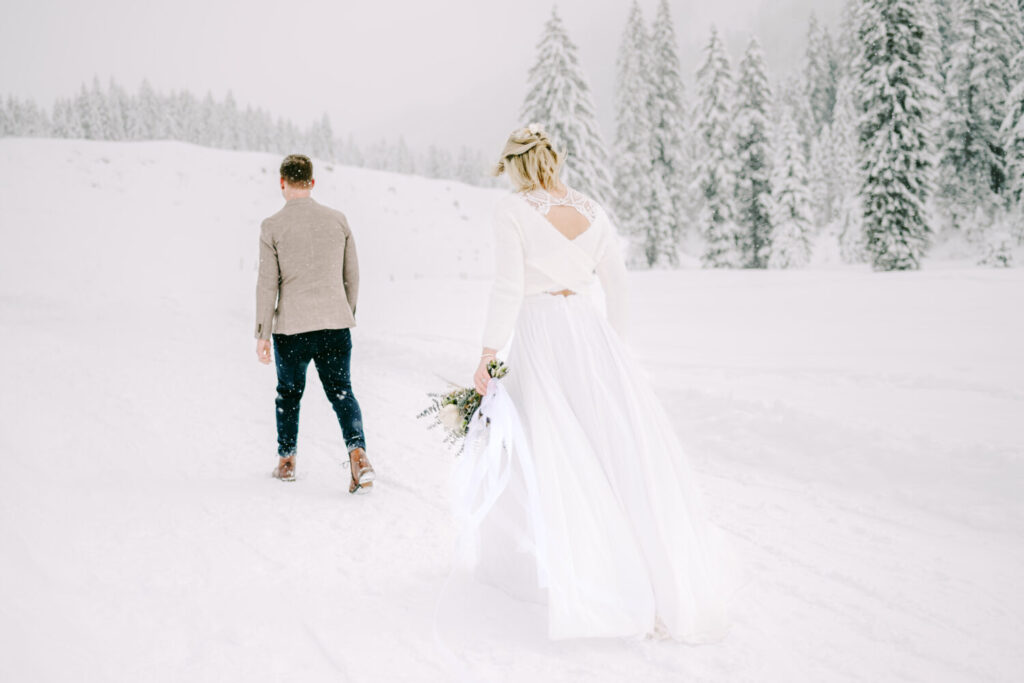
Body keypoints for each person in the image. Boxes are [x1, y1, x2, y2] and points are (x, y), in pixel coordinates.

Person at [468, 125, 745, 641]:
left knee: (549, 450)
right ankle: (654, 579)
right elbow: (618, 284)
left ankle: (580, 575)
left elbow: (508, 286)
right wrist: (614, 346)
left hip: (542, 334)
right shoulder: (593, 209)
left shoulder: (511, 210)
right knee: (615, 450)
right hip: (591, 334)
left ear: (516, 165)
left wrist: (488, 352)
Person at [255, 154, 375, 494]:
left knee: (289, 394)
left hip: (292, 330)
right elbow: (352, 274)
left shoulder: (272, 226)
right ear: (312, 182)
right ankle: (358, 454)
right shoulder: (337, 220)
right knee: (342, 392)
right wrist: (344, 311)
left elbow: (268, 283)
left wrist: (263, 333)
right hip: (334, 325)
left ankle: (287, 461)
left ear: (282, 183)